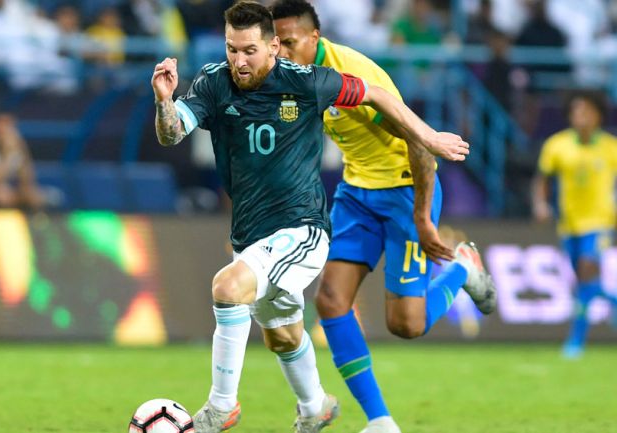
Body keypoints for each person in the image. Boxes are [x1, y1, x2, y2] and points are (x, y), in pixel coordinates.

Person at [150, 2, 470, 432]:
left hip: (302, 230)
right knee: (281, 336)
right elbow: (172, 134)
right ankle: (315, 405)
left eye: (249, 50)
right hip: (252, 232)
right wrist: (165, 101)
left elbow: (375, 93)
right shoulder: (213, 83)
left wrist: (429, 137)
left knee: (227, 288)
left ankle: (221, 407)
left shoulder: (305, 81)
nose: (239, 61)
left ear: (272, 46)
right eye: (232, 49)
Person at [270, 1, 497, 432]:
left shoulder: (353, 78)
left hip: (405, 190)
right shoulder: (291, 74)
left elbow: (420, 144)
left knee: (406, 325)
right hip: (357, 193)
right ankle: (380, 421)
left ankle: (461, 270)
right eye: (275, 43)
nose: (280, 52)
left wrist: (425, 218)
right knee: (331, 301)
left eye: (289, 43)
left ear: (314, 40)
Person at [532, 90, 617, 359]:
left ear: (598, 115)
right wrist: (541, 204)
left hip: (601, 221)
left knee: (588, 269)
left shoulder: (611, 147)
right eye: (577, 111)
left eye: (587, 111)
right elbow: (541, 180)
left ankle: (575, 341)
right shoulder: (557, 145)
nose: (581, 116)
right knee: (584, 282)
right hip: (569, 224)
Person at [0, 112, 46, 209]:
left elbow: (27, 176)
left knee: (33, 196)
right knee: (1, 195)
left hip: (10, 185)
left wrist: (23, 151)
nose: (4, 128)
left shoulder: (17, 144)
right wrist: (7, 154)